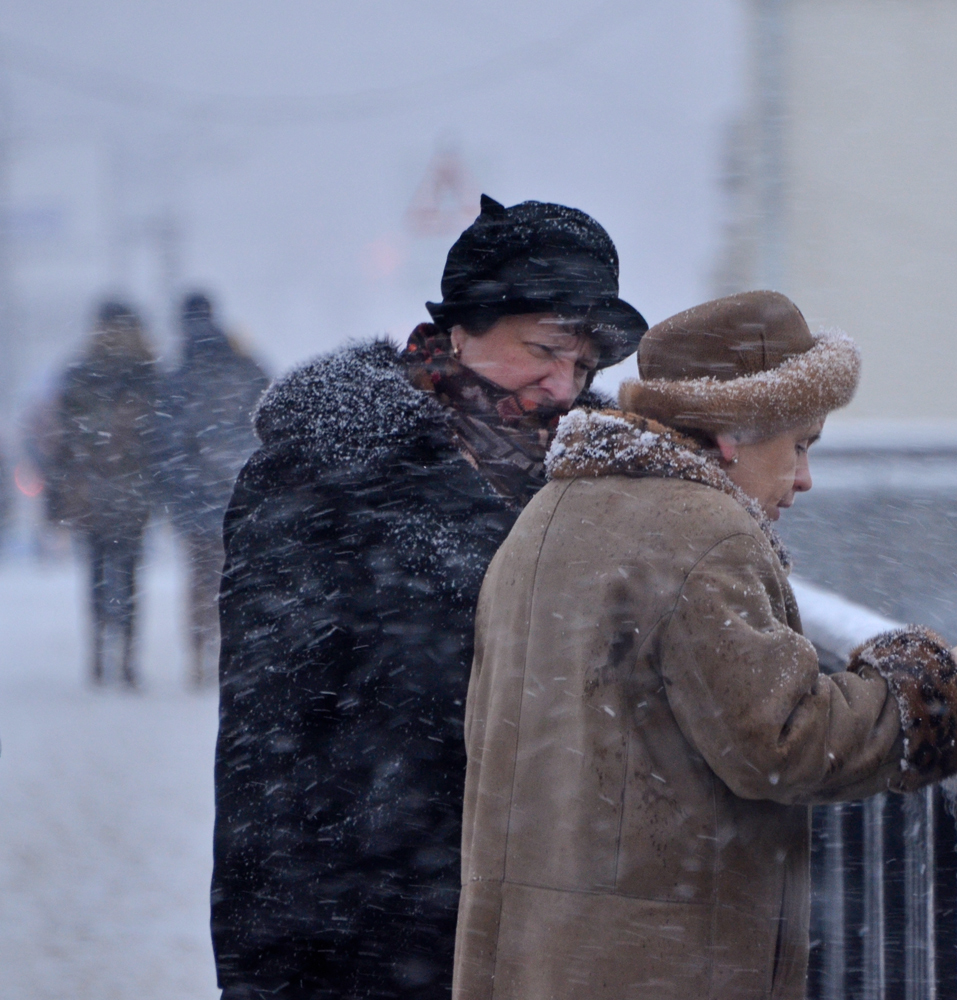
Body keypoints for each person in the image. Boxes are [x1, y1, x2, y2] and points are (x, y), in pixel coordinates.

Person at [452, 291, 957, 1000]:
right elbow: (783, 741)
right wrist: (929, 684)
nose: (805, 478)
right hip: (649, 966)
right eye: (798, 445)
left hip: (536, 956)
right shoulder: (701, 532)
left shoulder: (554, 510)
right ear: (729, 432)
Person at [210, 194, 647, 1000]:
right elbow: (268, 739)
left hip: (558, 916)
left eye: (584, 367)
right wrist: (265, 959)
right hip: (377, 917)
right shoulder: (325, 474)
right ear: (459, 329)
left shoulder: (601, 484)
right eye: (544, 350)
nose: (562, 386)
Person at [158, 292, 269, 688]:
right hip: (240, 490)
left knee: (199, 575)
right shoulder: (244, 365)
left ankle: (199, 654)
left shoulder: (179, 374)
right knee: (237, 574)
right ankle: (235, 653)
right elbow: (268, 419)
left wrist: (172, 490)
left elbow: (166, 438)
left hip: (194, 494)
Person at [47, 301, 160, 688]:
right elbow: (159, 439)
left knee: (96, 572)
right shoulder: (147, 372)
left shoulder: (80, 372)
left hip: (91, 487)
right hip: (132, 489)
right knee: (128, 574)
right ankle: (127, 658)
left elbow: (63, 438)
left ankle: (97, 653)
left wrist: (60, 490)